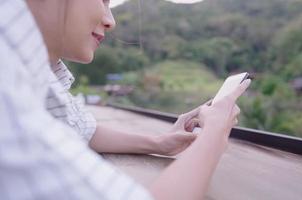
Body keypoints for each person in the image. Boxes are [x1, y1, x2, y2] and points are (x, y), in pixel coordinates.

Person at [0, 0, 251, 199]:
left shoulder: (36, 68)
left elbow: (81, 129)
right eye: (103, 0)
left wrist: (160, 143)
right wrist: (214, 135)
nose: (111, 21)